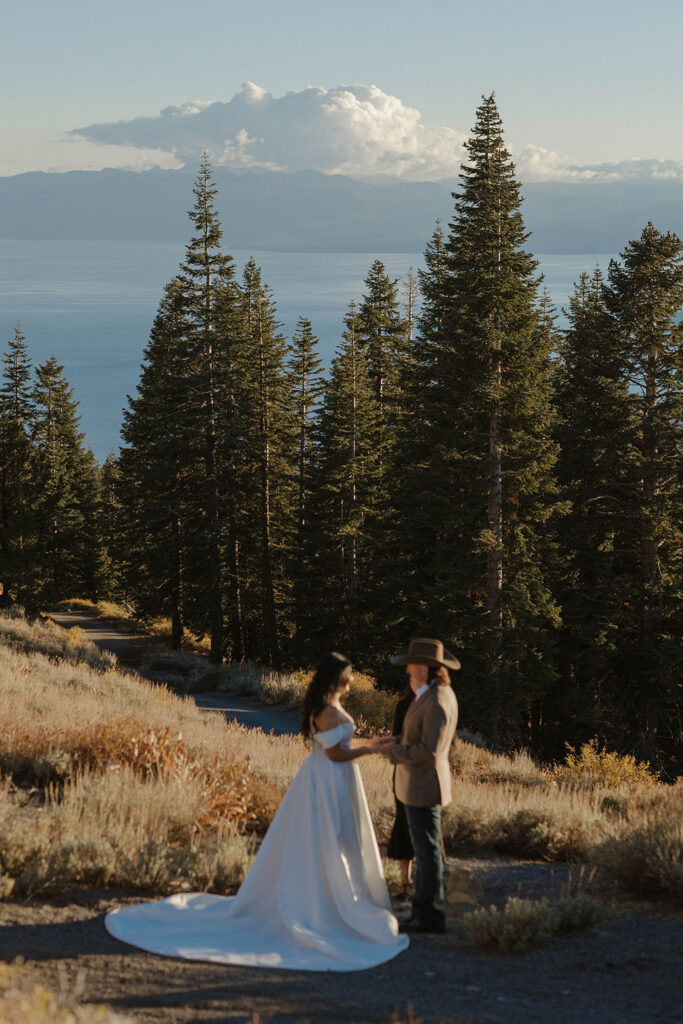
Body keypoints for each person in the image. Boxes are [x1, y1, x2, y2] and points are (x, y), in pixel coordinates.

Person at [105, 651, 409, 971]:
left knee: (334, 840)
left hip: (331, 780)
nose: (350, 684)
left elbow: (339, 744)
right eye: (348, 678)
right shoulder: (328, 711)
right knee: (327, 840)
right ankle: (324, 904)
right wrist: (373, 750)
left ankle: (335, 897)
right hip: (329, 781)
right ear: (338, 679)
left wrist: (372, 741)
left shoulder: (329, 707)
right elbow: (335, 754)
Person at [379, 637, 459, 934]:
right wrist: (395, 742)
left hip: (424, 787)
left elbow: (429, 751)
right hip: (418, 785)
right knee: (426, 853)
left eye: (411, 665)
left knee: (427, 855)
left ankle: (431, 916)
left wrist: (391, 751)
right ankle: (421, 912)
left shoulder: (437, 700)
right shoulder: (431, 695)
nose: (407, 671)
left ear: (424, 668)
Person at [386, 688, 414, 899]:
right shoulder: (403, 706)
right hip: (403, 771)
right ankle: (406, 881)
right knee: (403, 822)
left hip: (424, 775)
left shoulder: (436, 702)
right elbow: (396, 736)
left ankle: (421, 884)